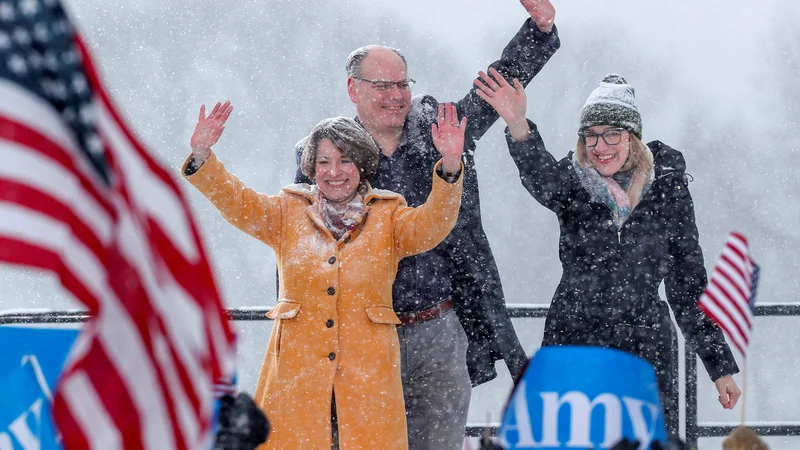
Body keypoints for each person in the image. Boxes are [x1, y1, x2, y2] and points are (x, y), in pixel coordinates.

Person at [293, 2, 560, 448]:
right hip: (360, 335)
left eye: (401, 84)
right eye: (382, 86)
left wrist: (538, 30)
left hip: (439, 331)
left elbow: (495, 86)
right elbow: (300, 245)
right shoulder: (327, 154)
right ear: (352, 89)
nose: (396, 95)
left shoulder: (440, 129)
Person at [182, 101, 467, 449]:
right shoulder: (286, 212)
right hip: (297, 381)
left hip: (368, 384)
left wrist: (451, 165)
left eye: (345, 160)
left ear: (361, 165)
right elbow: (236, 201)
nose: (335, 171)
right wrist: (202, 152)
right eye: (323, 162)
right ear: (311, 168)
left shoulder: (389, 216)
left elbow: (433, 224)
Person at [474, 71, 742, 436]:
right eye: (591, 135)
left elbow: (689, 285)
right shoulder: (572, 185)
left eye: (612, 134)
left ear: (632, 138)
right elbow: (539, 175)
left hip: (646, 345)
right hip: (574, 339)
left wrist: (719, 366)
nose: (601, 147)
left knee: (643, 439)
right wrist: (518, 124)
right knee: (572, 438)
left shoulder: (667, 191)